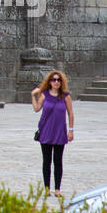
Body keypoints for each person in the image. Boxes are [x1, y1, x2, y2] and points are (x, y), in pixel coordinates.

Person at [32, 69, 74, 197]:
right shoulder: (44, 94)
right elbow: (36, 109)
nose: (56, 82)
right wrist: (33, 96)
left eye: (59, 80)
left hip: (59, 132)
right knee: (46, 161)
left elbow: (71, 113)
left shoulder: (66, 96)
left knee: (58, 161)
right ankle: (46, 188)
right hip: (46, 132)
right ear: (49, 82)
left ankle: (57, 189)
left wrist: (71, 130)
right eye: (54, 80)